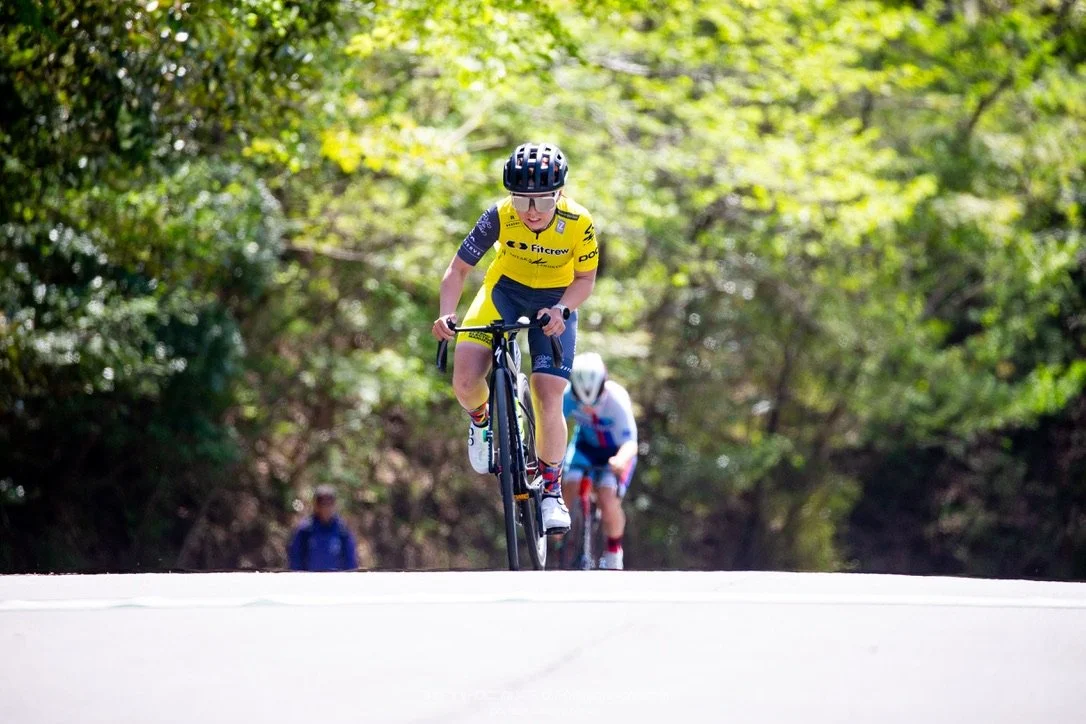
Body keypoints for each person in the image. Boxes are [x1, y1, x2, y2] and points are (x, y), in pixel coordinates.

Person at [431, 142, 599, 534]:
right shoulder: (499, 215)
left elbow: (585, 279)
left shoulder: (579, 222)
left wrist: (563, 310)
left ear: (560, 193)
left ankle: (552, 491)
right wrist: (446, 313)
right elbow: (457, 270)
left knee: (548, 394)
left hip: (555, 301)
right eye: (521, 200)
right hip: (504, 292)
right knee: (465, 381)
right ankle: (482, 421)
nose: (531, 211)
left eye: (542, 200)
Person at [562, 352, 638, 569]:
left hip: (615, 453)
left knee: (607, 497)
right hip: (584, 447)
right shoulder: (567, 396)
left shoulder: (617, 399)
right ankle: (562, 538)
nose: (588, 408)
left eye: (595, 401)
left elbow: (631, 443)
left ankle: (614, 551)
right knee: (570, 483)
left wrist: (620, 460)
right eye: (581, 402)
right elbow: (551, 424)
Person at [287, 485, 359, 571]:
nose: (326, 508)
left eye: (330, 503)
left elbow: (350, 561)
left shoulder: (342, 531)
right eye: (322, 503)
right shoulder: (305, 530)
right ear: (316, 505)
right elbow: (295, 559)